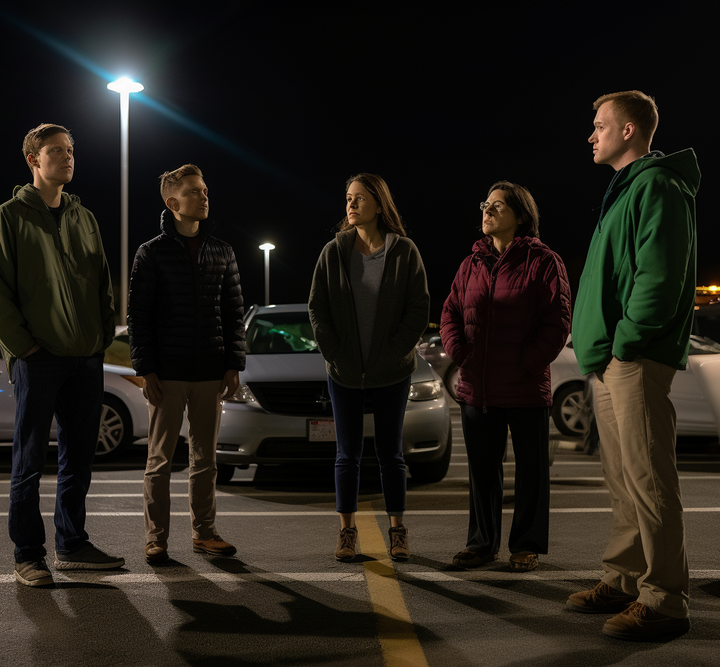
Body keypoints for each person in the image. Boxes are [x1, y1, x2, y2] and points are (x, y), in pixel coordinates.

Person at [567, 91, 699, 641]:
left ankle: (665, 601)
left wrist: (626, 342)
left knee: (648, 479)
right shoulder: (625, 190)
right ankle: (624, 579)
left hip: (634, 359)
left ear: (627, 131)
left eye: (598, 126)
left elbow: (659, 277)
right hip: (610, 360)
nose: (590, 135)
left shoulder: (657, 186)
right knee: (623, 480)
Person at [0, 123, 124, 586]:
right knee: (29, 460)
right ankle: (28, 554)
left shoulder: (83, 217)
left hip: (85, 356)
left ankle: (72, 544)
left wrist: (100, 338)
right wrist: (24, 347)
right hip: (38, 357)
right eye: (57, 151)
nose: (67, 157)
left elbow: (101, 284)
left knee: (79, 456)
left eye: (71, 150)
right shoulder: (9, 218)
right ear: (34, 160)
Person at [441, 181, 571, 572]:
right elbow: (450, 314)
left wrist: (527, 364)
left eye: (497, 206)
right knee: (483, 472)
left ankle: (526, 544)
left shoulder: (544, 261)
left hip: (525, 387)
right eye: (486, 204)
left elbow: (558, 321)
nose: (487, 210)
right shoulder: (471, 264)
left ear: (521, 215)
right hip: (478, 388)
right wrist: (461, 353)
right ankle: (481, 544)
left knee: (531, 472)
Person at [128, 164, 245, 564]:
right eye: (194, 192)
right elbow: (138, 317)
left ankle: (204, 534)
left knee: (205, 460)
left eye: (205, 189)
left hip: (210, 371)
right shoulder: (152, 252)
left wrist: (234, 363)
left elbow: (233, 311)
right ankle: (156, 538)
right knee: (160, 460)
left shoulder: (222, 250)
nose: (204, 196)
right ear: (172, 202)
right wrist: (146, 370)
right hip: (168, 373)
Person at [309, 173, 429, 562]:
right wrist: (335, 353)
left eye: (360, 198)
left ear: (379, 204)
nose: (352, 204)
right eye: (348, 198)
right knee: (347, 454)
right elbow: (317, 308)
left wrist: (393, 353)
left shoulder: (404, 251)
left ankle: (398, 532)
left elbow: (418, 310)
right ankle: (347, 532)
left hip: (392, 370)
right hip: (344, 370)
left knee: (391, 453)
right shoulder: (334, 251)